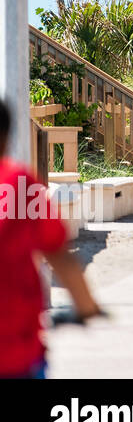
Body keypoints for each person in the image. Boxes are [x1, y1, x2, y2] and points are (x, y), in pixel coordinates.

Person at [0, 98, 103, 378]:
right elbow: (58, 254)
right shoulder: (19, 183)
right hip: (14, 354)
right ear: (7, 136)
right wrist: (86, 306)